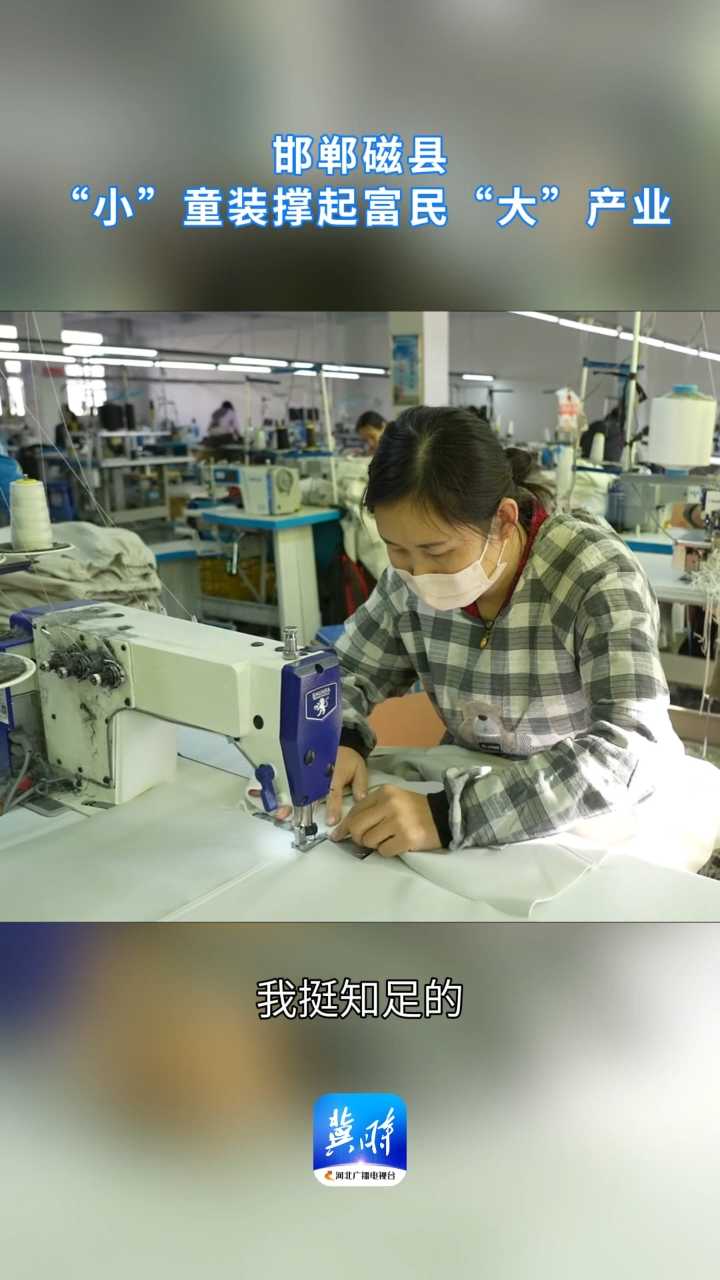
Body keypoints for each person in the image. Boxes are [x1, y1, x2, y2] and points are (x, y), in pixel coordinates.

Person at [326, 405, 683, 855]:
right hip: (469, 781)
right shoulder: (407, 580)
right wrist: (342, 738)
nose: (418, 572)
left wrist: (452, 815)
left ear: (504, 521)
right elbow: (346, 673)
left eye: (437, 552)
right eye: (395, 549)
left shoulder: (593, 573)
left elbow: (631, 748)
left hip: (580, 804)